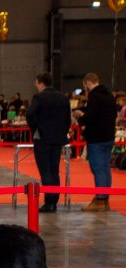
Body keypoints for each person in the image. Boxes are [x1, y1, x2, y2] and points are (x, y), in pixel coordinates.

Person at [25, 72, 71, 213]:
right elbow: (68, 119)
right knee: (54, 171)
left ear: (40, 83)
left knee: (45, 171)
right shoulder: (63, 97)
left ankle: (49, 202)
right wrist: (62, 132)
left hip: (43, 139)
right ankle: (53, 201)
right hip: (57, 139)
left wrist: (36, 129)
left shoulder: (39, 97)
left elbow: (29, 114)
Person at [74, 72, 117, 212]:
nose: (85, 89)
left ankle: (100, 199)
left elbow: (90, 118)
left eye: (85, 87)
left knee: (98, 169)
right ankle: (104, 199)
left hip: (96, 139)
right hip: (109, 137)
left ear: (88, 83)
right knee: (105, 169)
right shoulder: (109, 95)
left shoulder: (94, 96)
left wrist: (80, 117)